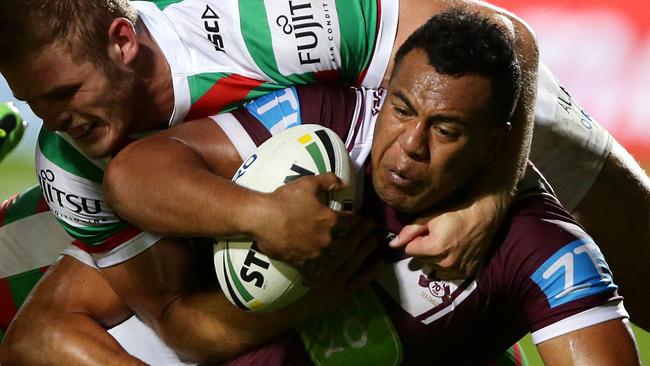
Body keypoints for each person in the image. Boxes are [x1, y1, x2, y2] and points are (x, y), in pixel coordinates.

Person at [3, 10, 641, 365]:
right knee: (35, 323)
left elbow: (488, 41)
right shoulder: (69, 161)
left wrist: (489, 200)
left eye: (63, 93)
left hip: (435, 111)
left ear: (121, 43)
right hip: (273, 178)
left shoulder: (256, 22)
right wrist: (264, 222)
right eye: (35, 103)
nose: (53, 120)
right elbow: (178, 322)